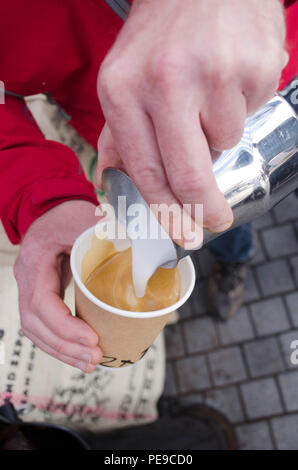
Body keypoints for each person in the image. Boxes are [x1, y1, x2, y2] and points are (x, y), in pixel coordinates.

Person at [0, 0, 297, 372]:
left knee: (232, 214)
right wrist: (40, 195)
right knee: (200, 220)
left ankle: (233, 261)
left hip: (266, 95)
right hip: (124, 154)